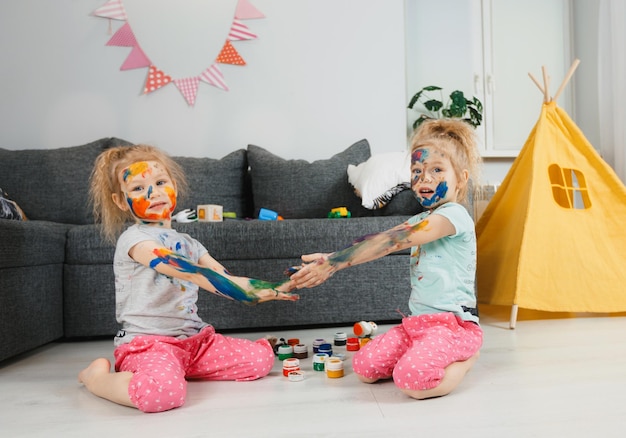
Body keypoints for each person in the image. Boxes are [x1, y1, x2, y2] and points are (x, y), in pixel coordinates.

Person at [78, 144, 297, 413]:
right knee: (164, 395)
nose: (153, 192)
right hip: (149, 345)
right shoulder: (134, 240)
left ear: (174, 187)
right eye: (137, 188)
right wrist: (242, 292)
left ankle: (177, 368)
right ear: (121, 201)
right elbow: (184, 268)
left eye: (160, 182)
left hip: (195, 342)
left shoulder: (190, 242)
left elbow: (223, 277)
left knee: (261, 360)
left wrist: (267, 288)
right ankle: (97, 378)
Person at [291, 118, 483, 399]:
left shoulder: (454, 215)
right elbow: (385, 239)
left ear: (462, 178)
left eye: (437, 170)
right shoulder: (419, 218)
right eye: (417, 171)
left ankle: (468, 359)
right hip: (416, 324)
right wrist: (332, 257)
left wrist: (334, 262)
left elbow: (391, 242)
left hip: (453, 326)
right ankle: (418, 351)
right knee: (364, 369)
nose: (425, 178)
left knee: (412, 384)